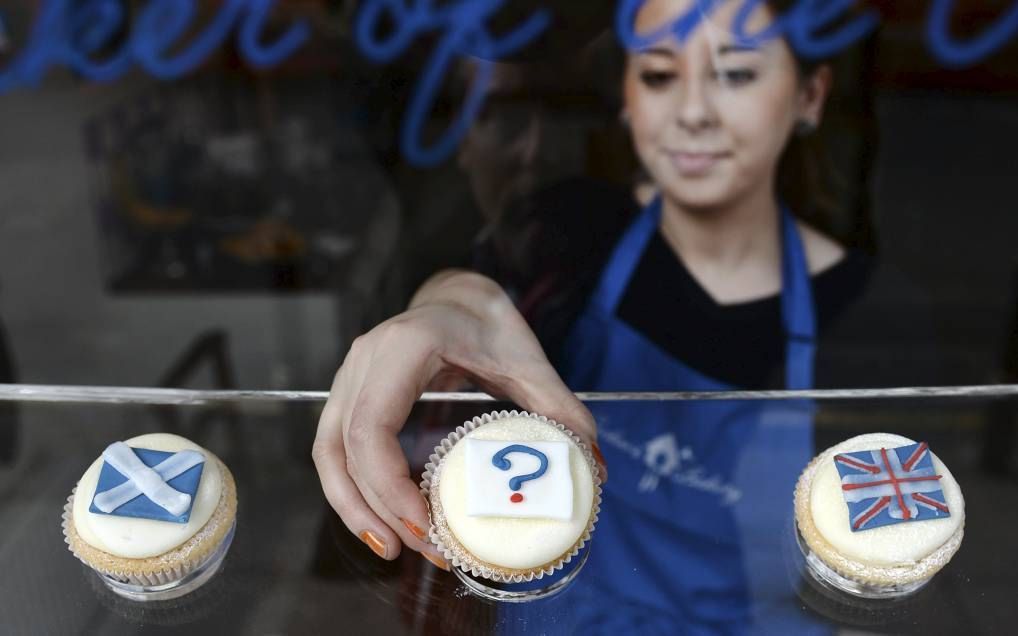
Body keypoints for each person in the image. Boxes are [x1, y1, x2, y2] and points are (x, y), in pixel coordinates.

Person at [313, 0, 931, 631]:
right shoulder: (570, 232)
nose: (693, 113)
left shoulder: (870, 314)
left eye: (736, 74)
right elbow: (476, 296)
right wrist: (445, 307)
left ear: (809, 95)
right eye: (660, 75)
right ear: (627, 98)